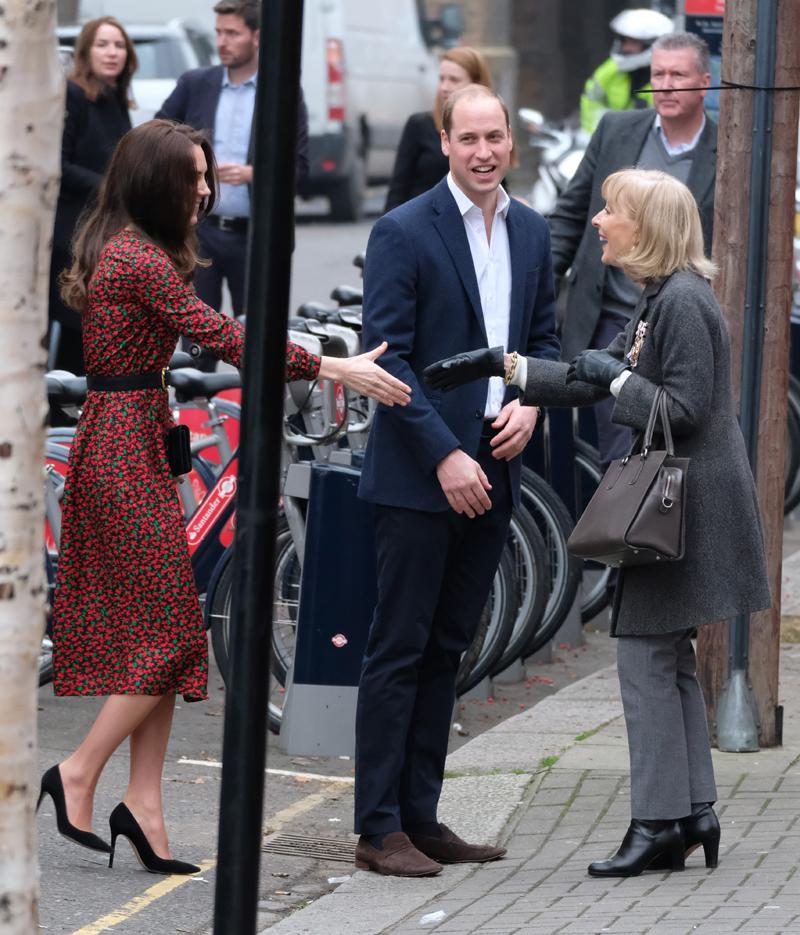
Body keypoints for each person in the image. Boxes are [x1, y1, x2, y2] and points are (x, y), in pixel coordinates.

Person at [38, 119, 410, 875]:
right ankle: (77, 772)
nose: (206, 190)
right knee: (174, 633)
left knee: (164, 639)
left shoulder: (134, 247)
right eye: (193, 179)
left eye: (207, 176)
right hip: (120, 450)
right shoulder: (136, 259)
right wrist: (335, 370)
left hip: (134, 437)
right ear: (154, 183)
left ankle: (143, 806)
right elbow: (228, 337)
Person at [424, 168, 772, 877]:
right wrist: (507, 365)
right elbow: (589, 372)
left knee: (644, 658)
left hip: (680, 513)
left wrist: (615, 379)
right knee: (664, 659)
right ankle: (689, 810)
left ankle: (656, 822)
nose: (597, 221)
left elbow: (683, 408)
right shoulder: (662, 296)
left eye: (611, 211)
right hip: (681, 509)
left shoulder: (683, 303)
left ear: (643, 228)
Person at [354, 85, 560, 877]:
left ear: (512, 142)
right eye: (467, 137)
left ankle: (420, 815)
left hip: (496, 460)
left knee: (449, 647)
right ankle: (377, 828)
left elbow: (539, 339)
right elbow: (387, 360)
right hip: (420, 471)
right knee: (397, 648)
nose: (482, 151)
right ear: (444, 141)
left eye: (494, 137)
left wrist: (529, 407)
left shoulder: (532, 231)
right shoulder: (403, 230)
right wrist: (444, 452)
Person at [554, 30, 714, 468]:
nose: (664, 84)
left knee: (669, 452)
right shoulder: (616, 129)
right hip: (611, 318)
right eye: (657, 73)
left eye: (677, 75)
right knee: (619, 455)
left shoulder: (727, 150)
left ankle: (643, 531)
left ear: (704, 80)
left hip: (675, 326)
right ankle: (619, 531)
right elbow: (571, 213)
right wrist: (540, 286)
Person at [156, 0, 309, 370]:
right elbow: (155, 140)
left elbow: (301, 167)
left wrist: (255, 174)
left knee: (257, 342)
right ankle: (193, 422)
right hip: (198, 234)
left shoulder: (283, 89)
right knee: (194, 344)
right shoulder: (195, 84)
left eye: (232, 33)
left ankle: (251, 423)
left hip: (257, 238)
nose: (222, 41)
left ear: (257, 37)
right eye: (219, 33)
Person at [49, 16, 137, 375]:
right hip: (71, 233)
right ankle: (61, 413)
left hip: (104, 230)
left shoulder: (114, 99)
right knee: (73, 326)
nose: (112, 53)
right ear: (85, 52)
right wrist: (110, 187)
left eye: (118, 45)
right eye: (102, 45)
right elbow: (59, 163)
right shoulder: (72, 95)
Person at [384, 47, 493, 212]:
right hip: (420, 225)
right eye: (441, 79)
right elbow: (398, 189)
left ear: (475, 84)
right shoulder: (419, 124)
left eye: (454, 80)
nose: (444, 87)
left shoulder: (491, 129)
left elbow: (497, 189)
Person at [580, 8, 673, 135]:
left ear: (652, 44)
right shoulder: (611, 69)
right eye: (624, 41)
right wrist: (597, 136)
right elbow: (591, 101)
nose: (625, 47)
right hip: (614, 144)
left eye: (633, 42)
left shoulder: (673, 79)